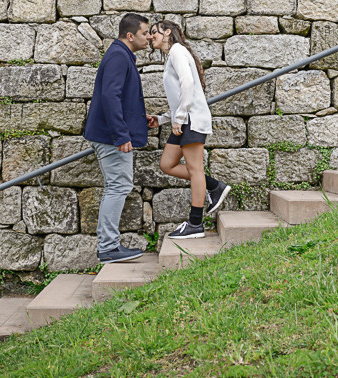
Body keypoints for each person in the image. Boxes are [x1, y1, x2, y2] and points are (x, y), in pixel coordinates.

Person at [147, 20, 231, 239]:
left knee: (195, 170)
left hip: (190, 121)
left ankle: (195, 224)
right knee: (167, 164)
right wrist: (163, 118)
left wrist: (180, 118)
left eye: (153, 32)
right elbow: (180, 96)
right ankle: (214, 186)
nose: (149, 36)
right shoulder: (174, 55)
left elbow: (188, 84)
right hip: (184, 120)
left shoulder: (177, 51)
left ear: (167, 32)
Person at [83, 13, 153, 264]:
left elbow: (120, 98)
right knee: (118, 186)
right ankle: (108, 247)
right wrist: (121, 134)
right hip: (111, 138)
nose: (149, 37)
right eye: (145, 33)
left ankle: (109, 246)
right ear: (130, 35)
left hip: (113, 135)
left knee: (118, 186)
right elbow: (110, 97)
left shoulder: (121, 55)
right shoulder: (117, 56)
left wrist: (139, 120)